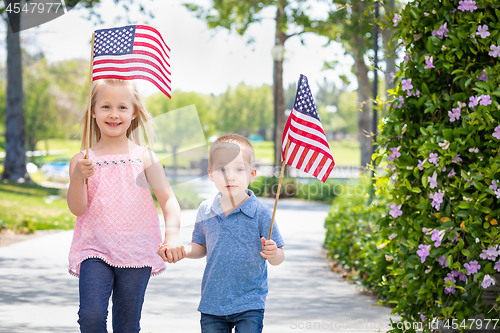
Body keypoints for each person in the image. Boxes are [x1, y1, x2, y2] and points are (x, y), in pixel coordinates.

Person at [67, 79, 184, 333]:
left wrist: (172, 234)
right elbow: (77, 208)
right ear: (94, 112)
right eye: (106, 106)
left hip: (137, 251)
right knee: (91, 317)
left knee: (127, 325)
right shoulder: (83, 160)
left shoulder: (145, 158)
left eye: (122, 107)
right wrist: (78, 177)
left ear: (134, 114)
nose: (113, 114)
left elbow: (168, 200)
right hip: (94, 248)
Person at [159, 134, 285, 333]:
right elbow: (201, 246)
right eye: (222, 169)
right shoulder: (206, 209)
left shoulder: (261, 213)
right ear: (210, 173)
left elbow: (278, 257)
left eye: (239, 169)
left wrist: (273, 253)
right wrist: (182, 249)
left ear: (252, 174)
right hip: (213, 301)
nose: (230, 176)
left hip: (249, 302)